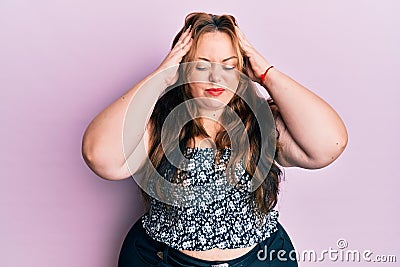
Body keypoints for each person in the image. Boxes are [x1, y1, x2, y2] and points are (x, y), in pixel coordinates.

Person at [81, 12, 348, 267]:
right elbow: (99, 157)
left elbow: (329, 145)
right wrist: (160, 78)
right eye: (201, 65)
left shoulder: (263, 121)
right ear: (182, 68)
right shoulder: (156, 123)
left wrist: (267, 73)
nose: (215, 77)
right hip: (163, 260)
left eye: (228, 65)